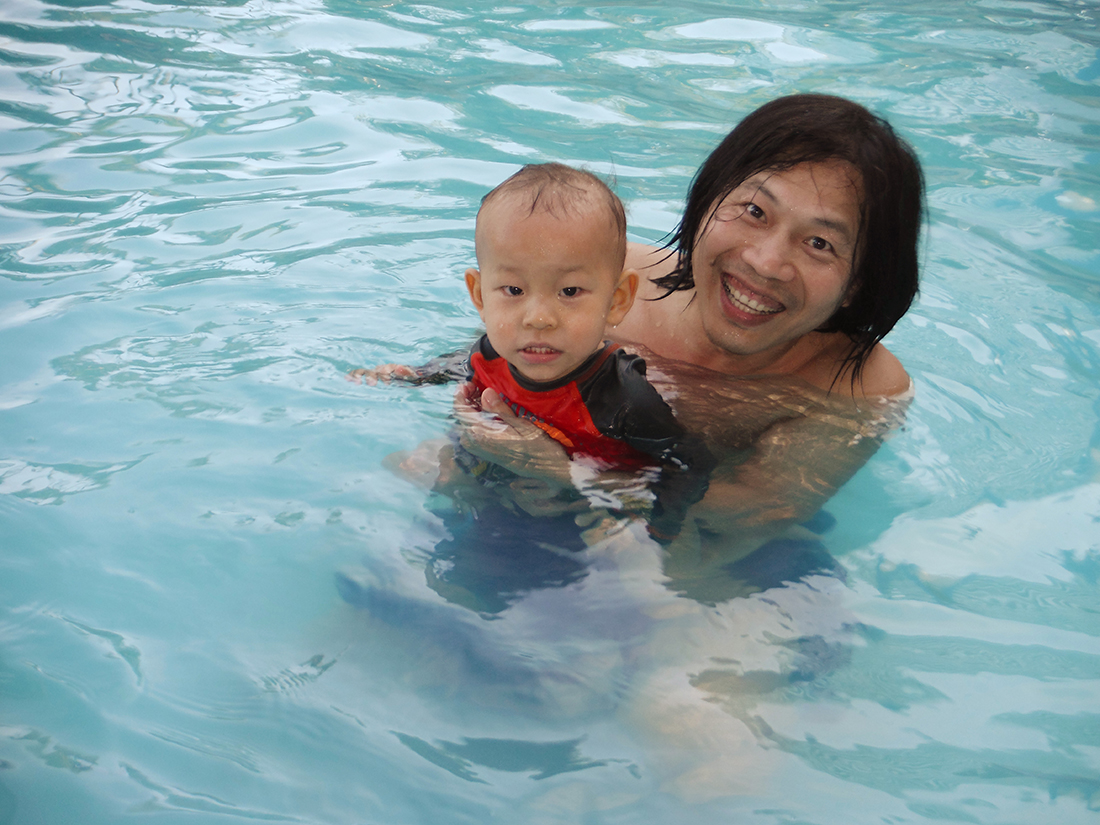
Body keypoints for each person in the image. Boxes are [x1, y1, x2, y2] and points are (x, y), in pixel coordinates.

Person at [452, 94, 925, 601]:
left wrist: (569, 472)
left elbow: (759, 512)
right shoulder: (596, 285)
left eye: (819, 244)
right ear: (707, 202)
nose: (766, 263)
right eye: (755, 211)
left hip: (705, 553)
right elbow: (491, 373)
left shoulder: (856, 388)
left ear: (859, 281)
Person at [349, 163, 713, 615]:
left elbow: (690, 461)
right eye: (514, 289)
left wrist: (647, 524)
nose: (538, 317)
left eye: (570, 291)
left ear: (617, 300)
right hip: (504, 475)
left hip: (580, 504)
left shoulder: (621, 399)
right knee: (423, 481)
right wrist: (414, 375)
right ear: (480, 295)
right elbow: (463, 363)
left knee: (605, 590)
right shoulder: (491, 352)